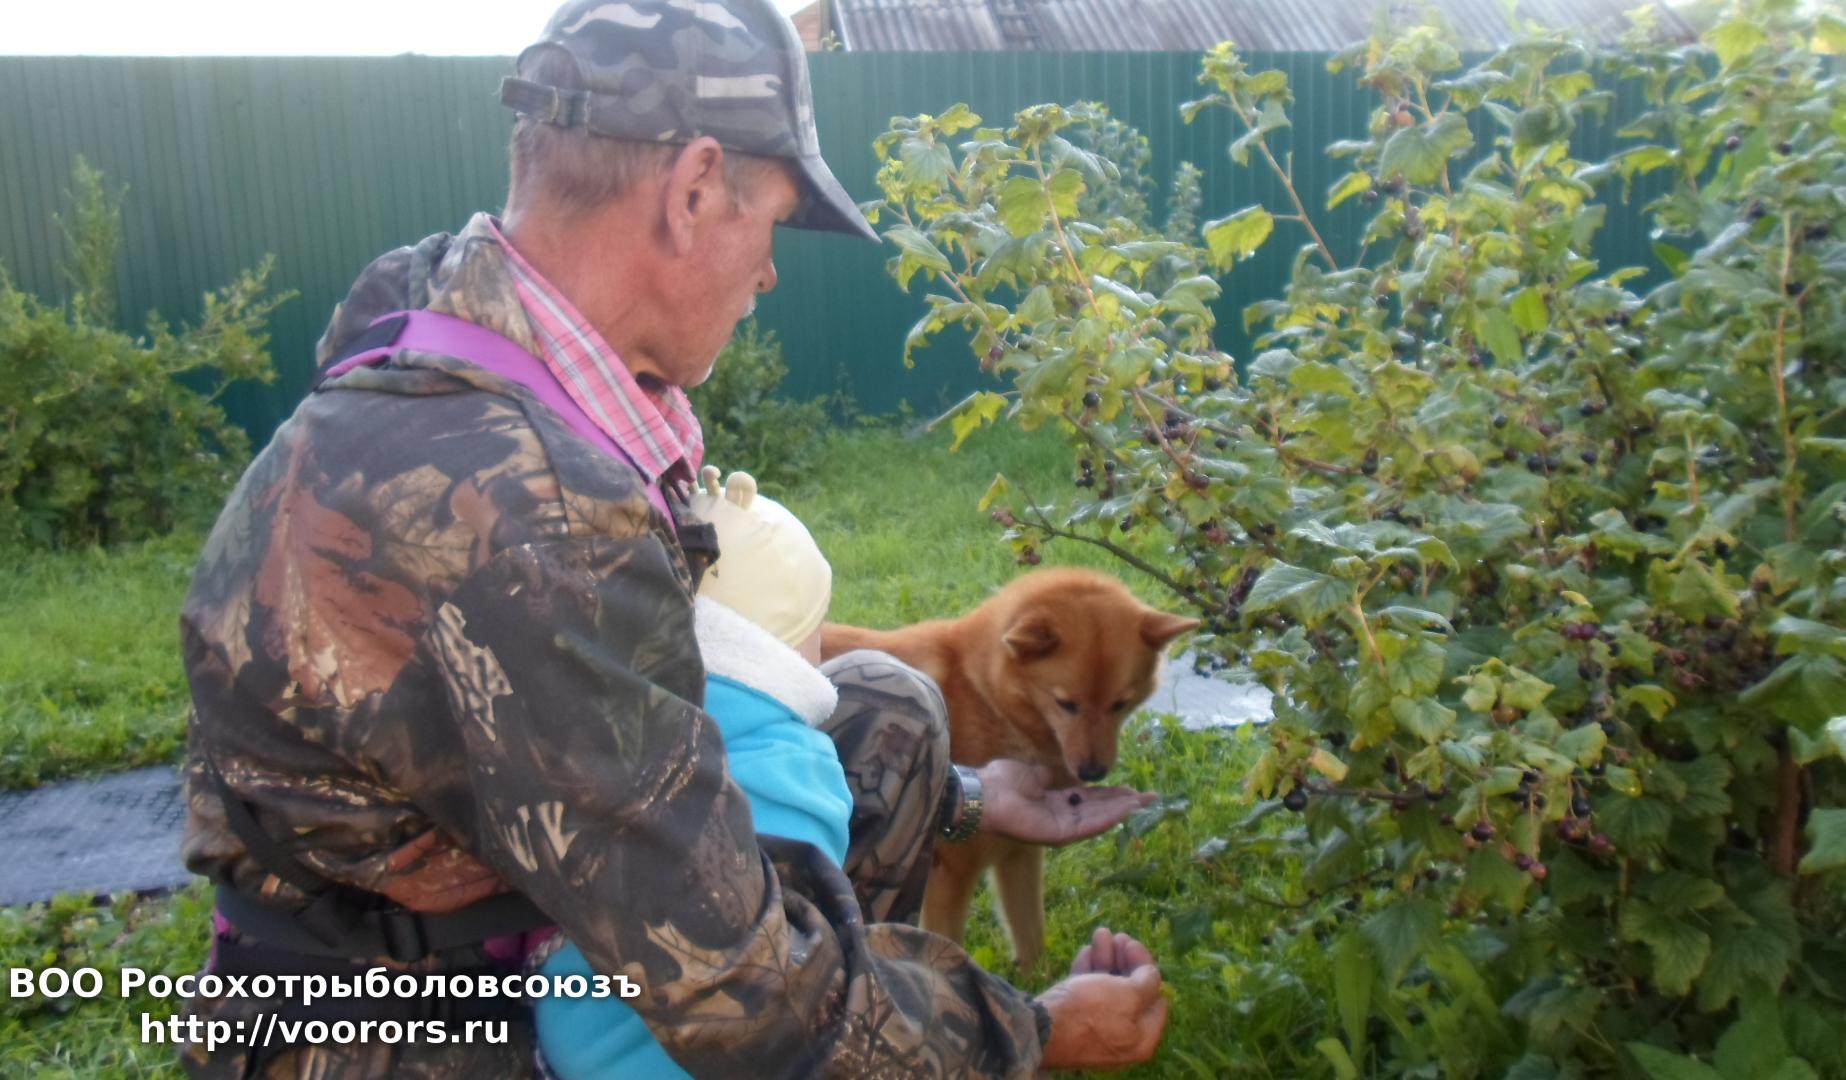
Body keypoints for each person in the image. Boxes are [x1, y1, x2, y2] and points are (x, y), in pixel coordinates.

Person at [175, 1, 1169, 1076]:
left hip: (466, 894)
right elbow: (740, 997)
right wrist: (1036, 1029)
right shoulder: (535, 514)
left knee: (886, 711)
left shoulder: (438, 327)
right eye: (774, 220)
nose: (770, 273)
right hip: (392, 1022)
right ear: (694, 190)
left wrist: (970, 798)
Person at [534, 465, 852, 1078]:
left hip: (569, 1024)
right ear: (789, 648)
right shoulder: (797, 771)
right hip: (679, 1057)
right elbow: (788, 962)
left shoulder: (612, 721)